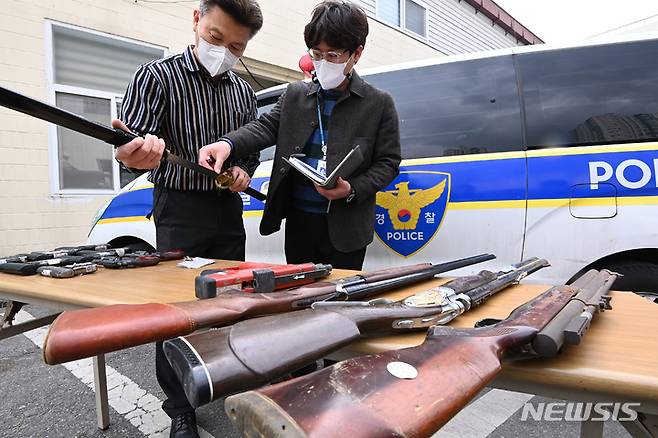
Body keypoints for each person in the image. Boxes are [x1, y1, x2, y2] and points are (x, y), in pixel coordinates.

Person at [112, 1, 263, 437]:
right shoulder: (155, 77)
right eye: (216, 38)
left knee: (233, 301)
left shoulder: (241, 92)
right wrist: (134, 154)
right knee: (178, 310)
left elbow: (247, 150)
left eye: (236, 47)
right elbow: (127, 149)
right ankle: (180, 406)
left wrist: (241, 171)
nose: (224, 51)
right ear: (197, 21)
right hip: (178, 206)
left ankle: (228, 381)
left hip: (227, 209)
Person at [199, 0, 401, 271]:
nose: (323, 62)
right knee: (300, 296)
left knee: (342, 301)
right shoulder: (296, 95)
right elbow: (266, 127)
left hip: (347, 229)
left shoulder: (378, 103)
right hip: (299, 223)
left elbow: (388, 163)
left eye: (333, 55)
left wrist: (352, 189)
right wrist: (228, 144)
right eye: (317, 54)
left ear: (357, 53)